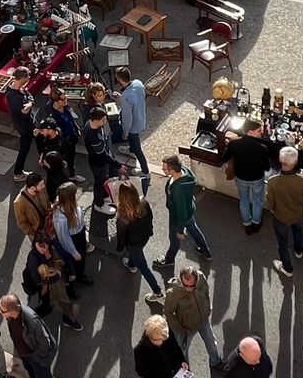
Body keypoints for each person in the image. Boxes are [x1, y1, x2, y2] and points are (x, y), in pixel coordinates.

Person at [265, 146, 303, 277]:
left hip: (280, 216)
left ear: (280, 160)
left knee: (283, 242)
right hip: (297, 213)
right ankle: (299, 250)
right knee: (298, 230)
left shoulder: (272, 181)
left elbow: (269, 203)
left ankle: (287, 268)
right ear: (296, 162)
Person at [156, 155, 212, 268]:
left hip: (178, 217)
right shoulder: (184, 171)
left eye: (165, 168)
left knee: (174, 239)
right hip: (189, 211)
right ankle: (206, 252)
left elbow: (180, 212)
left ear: (172, 170)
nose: (162, 170)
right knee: (194, 230)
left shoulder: (177, 190)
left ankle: (169, 259)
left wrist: (180, 231)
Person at [0, 294, 59, 378]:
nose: (0, 312)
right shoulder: (11, 317)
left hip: (35, 356)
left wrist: (35, 357)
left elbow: (44, 342)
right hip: (25, 353)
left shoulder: (31, 320)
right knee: (31, 371)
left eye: (3, 311)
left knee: (44, 376)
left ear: (12, 310)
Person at [164, 263, 222, 367]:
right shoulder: (173, 293)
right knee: (182, 350)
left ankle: (216, 362)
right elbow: (168, 312)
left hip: (203, 320)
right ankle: (183, 369)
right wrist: (180, 329)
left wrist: (207, 309)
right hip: (186, 327)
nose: (189, 288)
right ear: (180, 280)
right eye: (185, 285)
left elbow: (206, 293)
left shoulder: (201, 279)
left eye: (191, 285)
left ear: (196, 279)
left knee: (212, 343)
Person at [117, 181, 166, 303]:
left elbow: (121, 236)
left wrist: (119, 248)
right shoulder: (143, 201)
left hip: (133, 243)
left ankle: (157, 291)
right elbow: (151, 217)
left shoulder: (123, 216)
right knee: (137, 255)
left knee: (144, 267)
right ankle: (131, 264)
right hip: (145, 237)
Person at [222, 119, 270, 234]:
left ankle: (246, 224)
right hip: (256, 178)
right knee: (257, 200)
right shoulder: (262, 148)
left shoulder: (234, 144)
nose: (261, 133)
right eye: (259, 131)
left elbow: (224, 158)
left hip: (240, 177)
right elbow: (267, 167)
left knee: (244, 200)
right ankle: (256, 222)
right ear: (250, 131)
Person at [133, 314, 188, 378]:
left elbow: (175, 347)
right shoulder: (140, 351)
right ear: (149, 336)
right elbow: (142, 372)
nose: (161, 342)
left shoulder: (165, 333)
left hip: (172, 374)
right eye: (157, 340)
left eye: (163, 339)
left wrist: (181, 360)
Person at [115, 66, 150, 195]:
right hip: (141, 119)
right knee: (134, 143)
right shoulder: (139, 83)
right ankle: (130, 150)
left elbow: (127, 118)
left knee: (137, 147)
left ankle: (145, 171)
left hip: (133, 126)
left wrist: (125, 132)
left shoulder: (126, 97)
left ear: (119, 79)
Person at [84, 106, 125, 214]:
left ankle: (105, 196)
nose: (105, 121)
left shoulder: (92, 124)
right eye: (103, 120)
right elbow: (103, 155)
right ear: (96, 121)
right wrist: (118, 165)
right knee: (99, 183)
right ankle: (99, 204)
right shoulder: (93, 136)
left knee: (104, 180)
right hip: (98, 163)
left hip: (103, 160)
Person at [51, 181, 94, 284]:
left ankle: (78, 276)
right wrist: (73, 252)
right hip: (73, 241)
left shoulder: (68, 205)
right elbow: (64, 238)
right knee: (75, 263)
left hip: (78, 236)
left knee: (81, 259)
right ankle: (77, 279)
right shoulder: (60, 218)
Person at [39, 91, 81, 181]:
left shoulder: (65, 106)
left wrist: (76, 129)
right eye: (63, 99)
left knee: (72, 157)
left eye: (65, 97)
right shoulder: (52, 115)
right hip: (64, 141)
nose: (66, 100)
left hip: (72, 136)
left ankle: (71, 174)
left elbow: (70, 118)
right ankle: (68, 176)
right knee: (66, 160)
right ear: (56, 102)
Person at [6, 66, 37, 181]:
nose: (29, 78)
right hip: (24, 126)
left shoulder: (18, 88)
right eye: (28, 76)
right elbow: (23, 113)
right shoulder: (14, 96)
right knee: (24, 149)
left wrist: (30, 104)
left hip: (29, 123)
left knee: (38, 138)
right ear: (23, 77)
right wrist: (29, 105)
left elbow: (30, 97)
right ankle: (18, 173)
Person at [13, 172, 51, 239]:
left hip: (47, 222)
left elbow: (47, 201)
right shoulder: (19, 202)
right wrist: (33, 233)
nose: (44, 186)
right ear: (33, 188)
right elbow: (22, 223)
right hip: (36, 230)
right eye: (41, 185)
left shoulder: (41, 189)